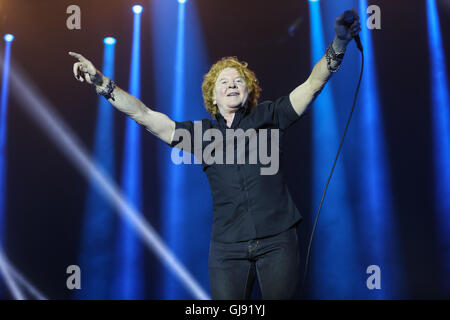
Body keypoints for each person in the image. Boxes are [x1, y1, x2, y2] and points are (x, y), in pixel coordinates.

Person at [69, 9, 361, 300]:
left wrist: (338, 43)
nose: (231, 84)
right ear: (213, 95)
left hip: (278, 240)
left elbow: (312, 85)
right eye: (224, 82)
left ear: (249, 90)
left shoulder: (270, 115)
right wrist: (101, 83)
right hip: (227, 248)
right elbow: (144, 115)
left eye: (238, 80)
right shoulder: (202, 135)